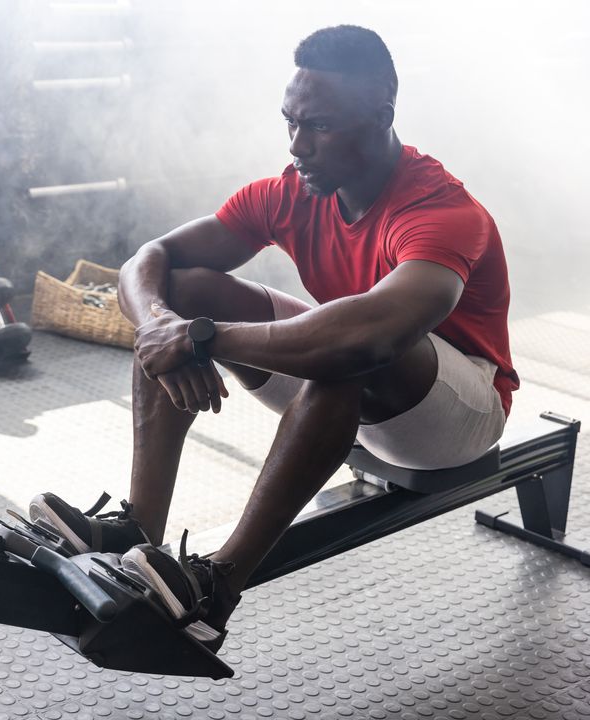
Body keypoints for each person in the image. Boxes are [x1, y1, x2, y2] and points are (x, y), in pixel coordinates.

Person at [29, 25, 519, 652]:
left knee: (346, 348)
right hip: (352, 387)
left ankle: (218, 586)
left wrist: (203, 338)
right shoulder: (292, 192)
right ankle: (138, 529)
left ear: (382, 116)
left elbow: (374, 336)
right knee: (188, 288)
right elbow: (148, 259)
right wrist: (160, 325)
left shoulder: (441, 213)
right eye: (289, 122)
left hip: (457, 417)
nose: (297, 145)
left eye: (318, 127)